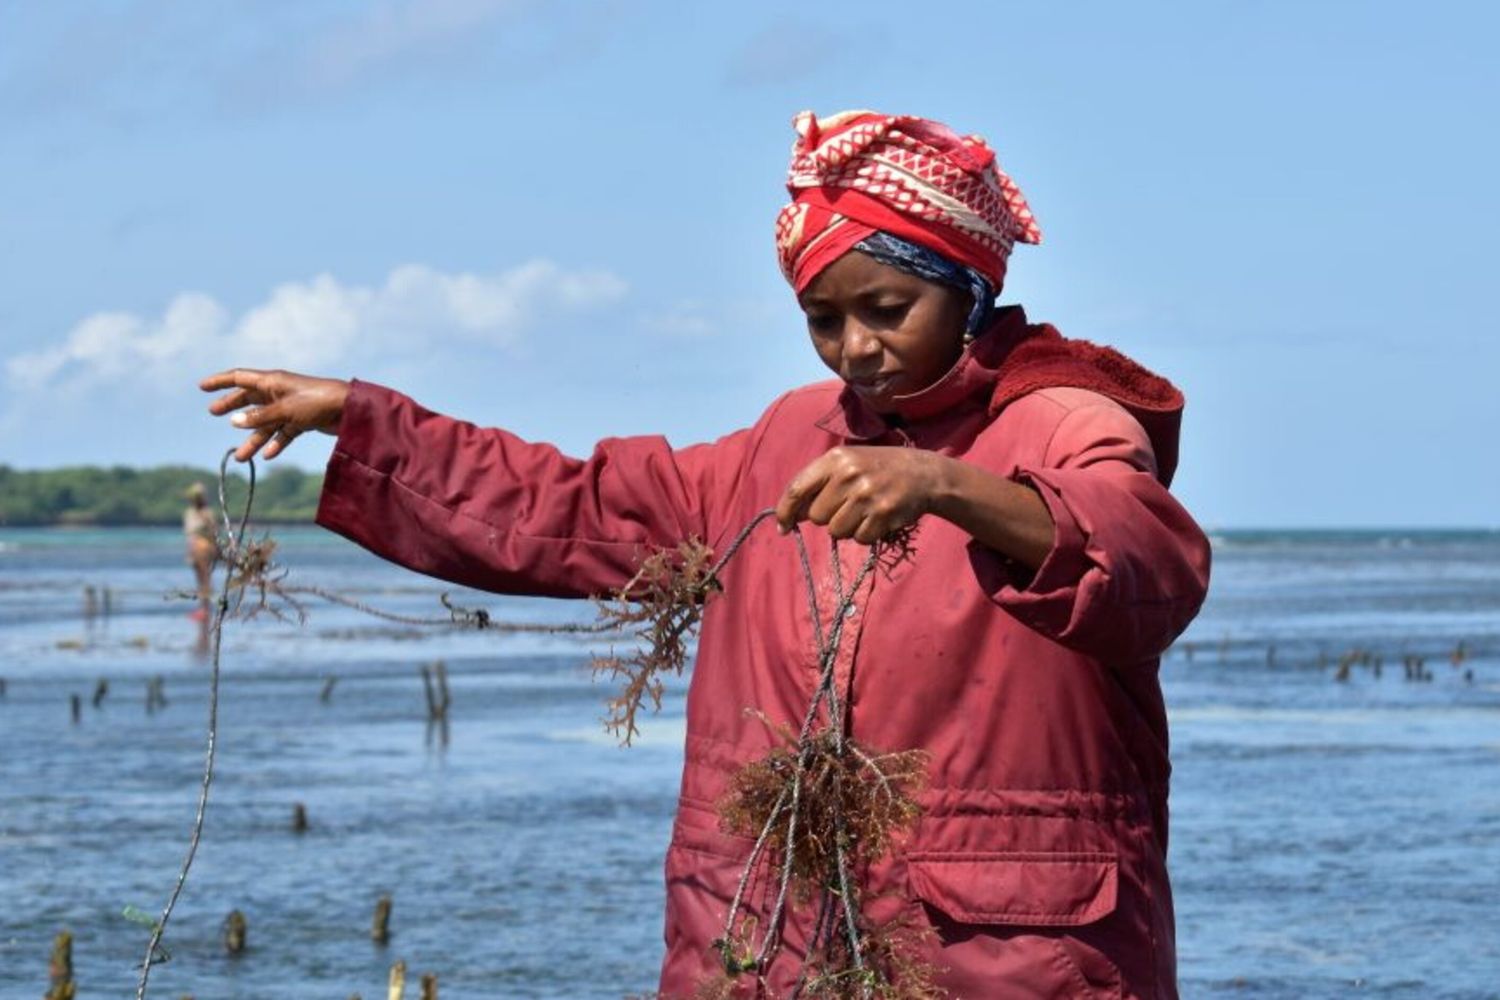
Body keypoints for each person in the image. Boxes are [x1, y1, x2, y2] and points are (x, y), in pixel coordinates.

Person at [200, 109, 1210, 998]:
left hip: (1006, 959)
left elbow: (1146, 559)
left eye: (887, 310)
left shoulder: (1062, 422)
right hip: (764, 943)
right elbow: (567, 504)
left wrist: (948, 487)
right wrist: (363, 419)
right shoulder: (781, 445)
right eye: (824, 319)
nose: (854, 346)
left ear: (970, 288)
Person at [182, 481, 219, 618]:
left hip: (204, 549)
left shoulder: (206, 512)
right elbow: (190, 534)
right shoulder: (190, 512)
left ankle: (206, 609)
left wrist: (213, 549)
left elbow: (213, 531)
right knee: (200, 580)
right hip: (194, 549)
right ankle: (202, 608)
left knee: (206, 579)